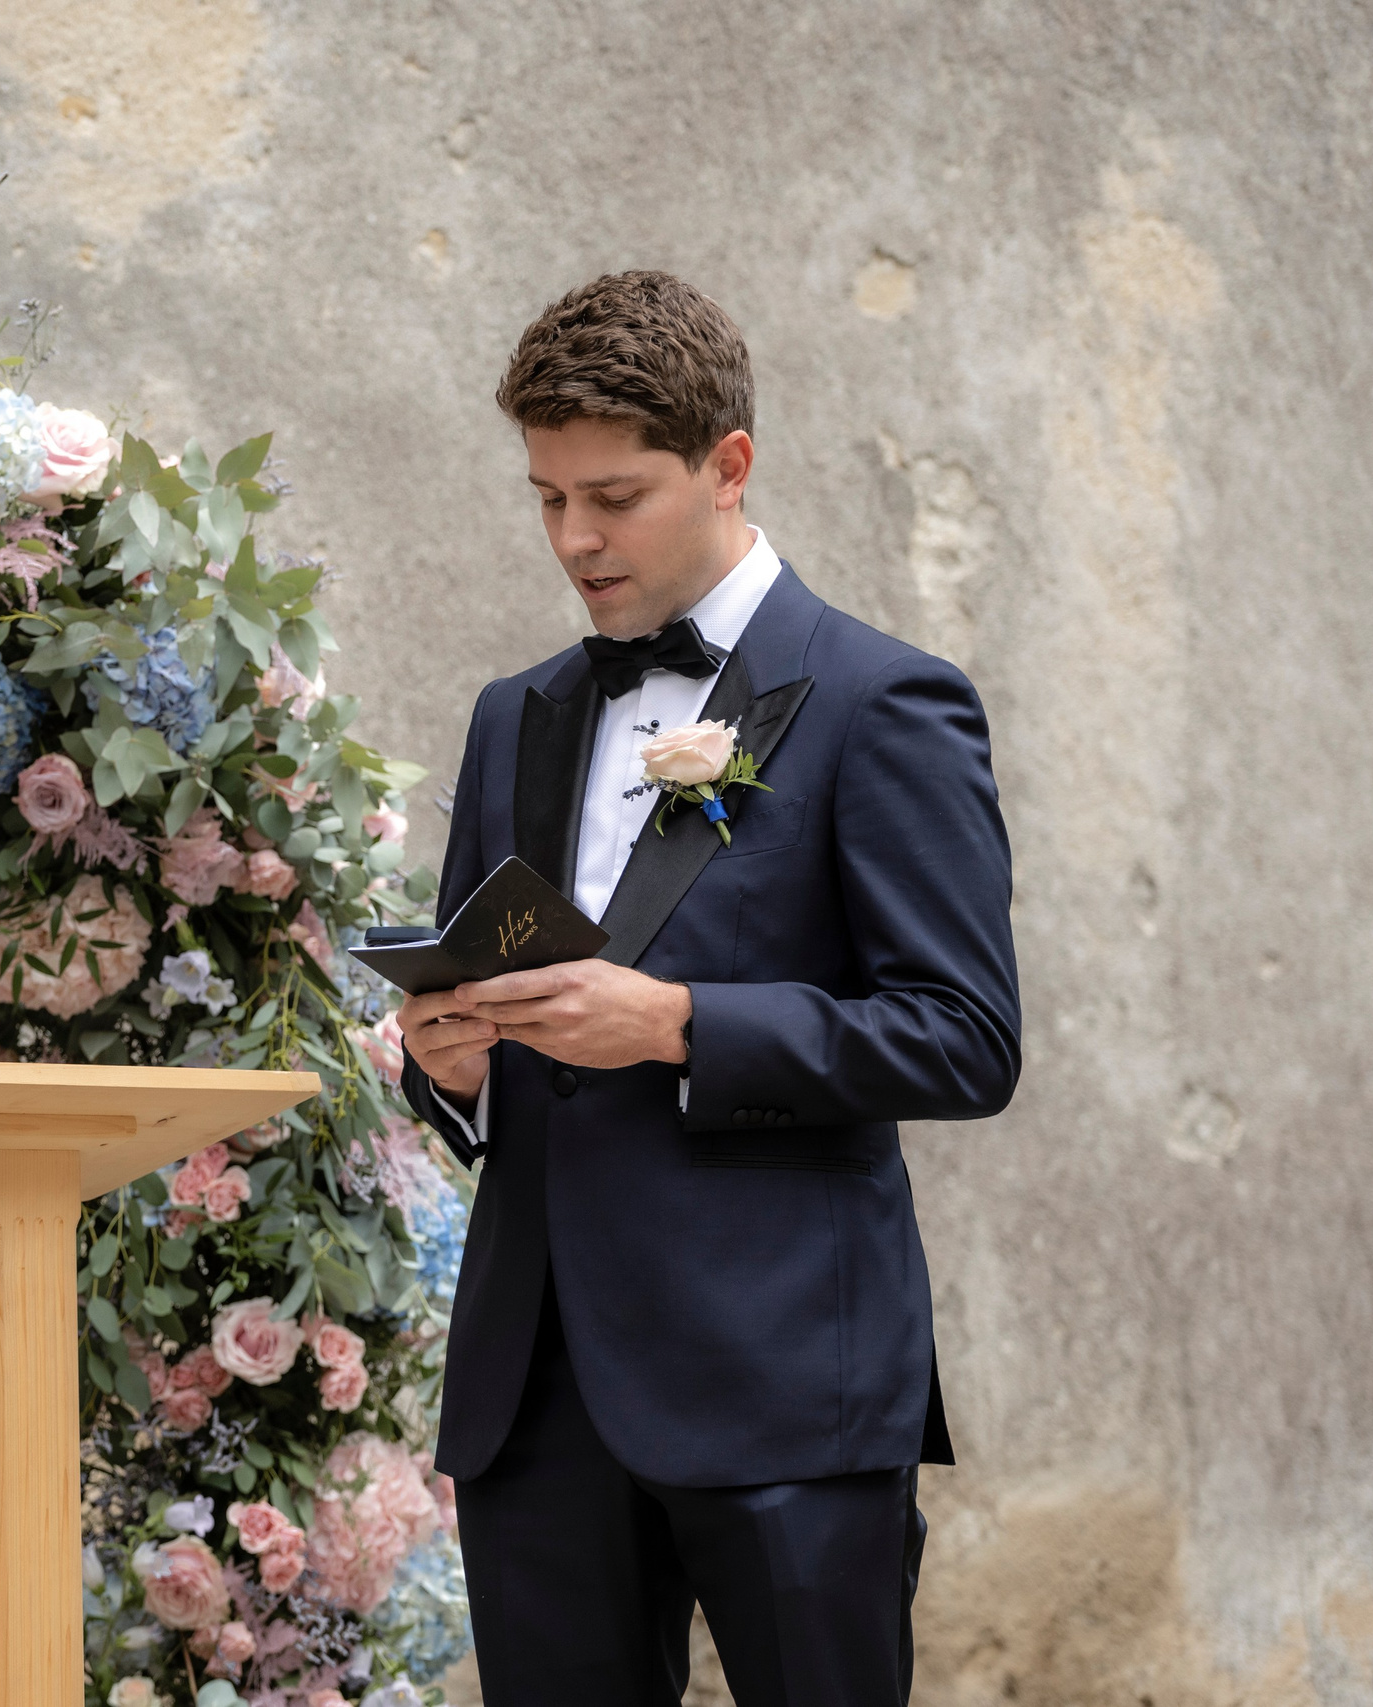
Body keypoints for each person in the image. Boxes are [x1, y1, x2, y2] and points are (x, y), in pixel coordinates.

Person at [398, 273, 1022, 1702]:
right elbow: (485, 1020)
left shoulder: (885, 701)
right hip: (536, 1390)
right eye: (547, 497)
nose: (574, 538)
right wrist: (448, 1064)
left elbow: (966, 1036)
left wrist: (678, 1023)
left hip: (786, 1378)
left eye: (612, 496)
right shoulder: (516, 714)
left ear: (729, 464)